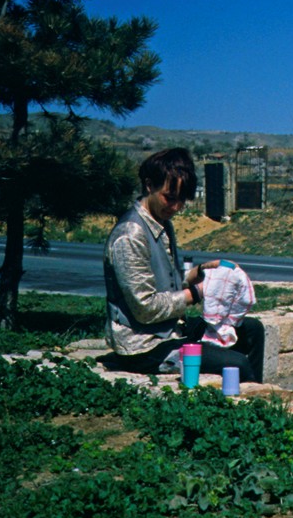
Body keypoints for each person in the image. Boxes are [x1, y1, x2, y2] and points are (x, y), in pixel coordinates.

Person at [103, 147, 265, 381]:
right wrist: (197, 294)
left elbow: (166, 282)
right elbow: (145, 308)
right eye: (170, 197)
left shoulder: (161, 221)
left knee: (252, 331)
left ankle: (253, 395)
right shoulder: (130, 236)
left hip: (169, 330)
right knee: (237, 364)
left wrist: (200, 273)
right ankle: (246, 406)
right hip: (144, 346)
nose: (176, 207)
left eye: (182, 200)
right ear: (149, 185)